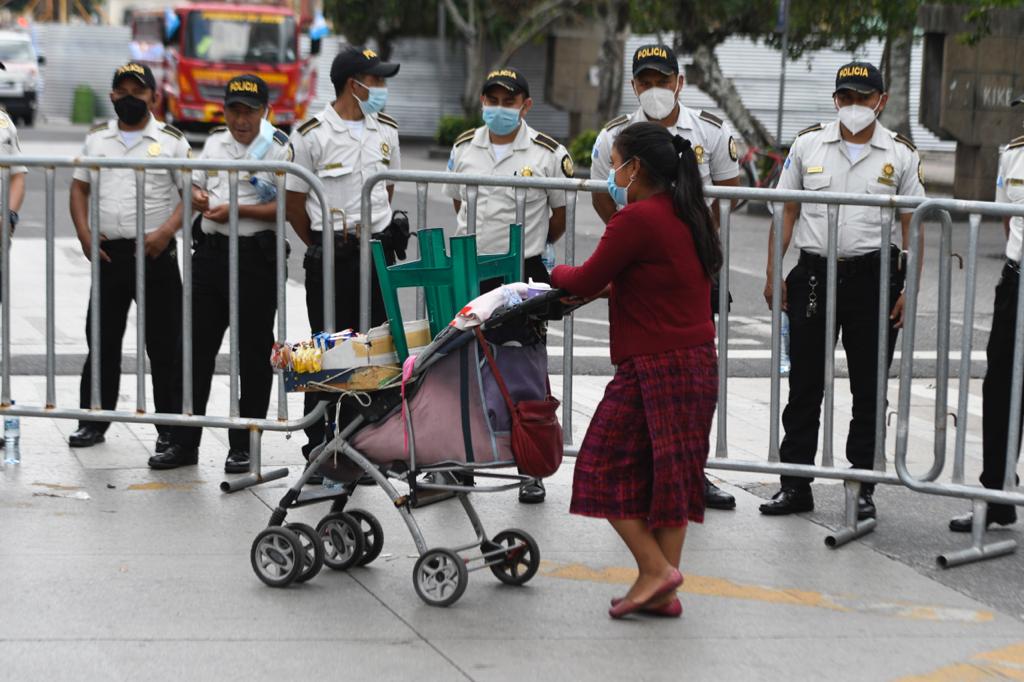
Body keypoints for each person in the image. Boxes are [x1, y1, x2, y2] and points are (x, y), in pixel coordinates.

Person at [551, 122, 720, 618]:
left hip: (655, 366)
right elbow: (656, 279)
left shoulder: (636, 219)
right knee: (673, 478)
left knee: (600, 464)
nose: (611, 173)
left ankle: (655, 570)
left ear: (635, 168)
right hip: (695, 364)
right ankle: (663, 591)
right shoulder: (689, 214)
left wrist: (548, 272)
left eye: (616, 162)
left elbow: (583, 277)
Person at [758, 61, 925, 518]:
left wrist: (909, 288)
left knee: (869, 388)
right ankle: (794, 484)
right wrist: (775, 272)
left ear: (881, 101)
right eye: (846, 98)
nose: (854, 106)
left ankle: (861, 487)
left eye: (863, 98)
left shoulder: (901, 154)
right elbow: (786, 210)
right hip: (814, 274)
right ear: (835, 100)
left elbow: (913, 225)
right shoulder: (809, 144)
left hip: (875, 277)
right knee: (805, 382)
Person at [590, 42, 740, 511]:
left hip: (695, 269)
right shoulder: (612, 136)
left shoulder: (710, 132)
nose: (655, 89)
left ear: (680, 82)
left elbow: (730, 190)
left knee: (692, 376)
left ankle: (692, 472)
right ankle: (644, 468)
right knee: (637, 370)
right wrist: (633, 239)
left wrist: (689, 237)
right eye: (645, 81)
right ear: (634, 86)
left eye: (663, 80)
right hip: (638, 272)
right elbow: (604, 195)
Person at [443, 66, 573, 504]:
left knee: (525, 372)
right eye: (492, 99)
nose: (499, 108)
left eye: (508, 100)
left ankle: (529, 466)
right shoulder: (464, 148)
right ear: (483, 102)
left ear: (525, 105)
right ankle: (460, 463)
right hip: (471, 270)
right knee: (462, 367)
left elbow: (558, 220)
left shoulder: (547, 154)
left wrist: (529, 253)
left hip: (522, 272)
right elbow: (459, 203)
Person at [153, 75, 294, 471]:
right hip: (210, 257)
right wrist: (197, 197)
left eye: (249, 111)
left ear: (264, 112)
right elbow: (194, 187)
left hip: (254, 260)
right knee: (193, 351)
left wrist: (238, 210)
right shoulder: (215, 142)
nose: (240, 119)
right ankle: (183, 443)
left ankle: (244, 445)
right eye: (234, 110)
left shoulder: (279, 148)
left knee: (251, 355)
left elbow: (286, 206)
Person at [286, 45, 400, 467]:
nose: (383, 89)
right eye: (378, 81)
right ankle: (318, 441)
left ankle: (359, 445)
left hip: (375, 251)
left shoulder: (386, 130)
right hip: (331, 255)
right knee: (326, 344)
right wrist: (322, 243)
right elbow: (295, 201)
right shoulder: (311, 133)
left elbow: (386, 191)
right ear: (355, 85)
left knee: (370, 348)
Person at [67, 62, 189, 453]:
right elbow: (78, 189)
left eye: (139, 92)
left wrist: (166, 232)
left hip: (155, 253)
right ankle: (93, 420)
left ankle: (169, 428)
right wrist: (85, 235)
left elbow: (193, 197)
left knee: (164, 345)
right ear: (113, 97)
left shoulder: (171, 141)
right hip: (110, 255)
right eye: (124, 91)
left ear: (153, 96)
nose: (131, 98)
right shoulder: (97, 139)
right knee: (101, 340)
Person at [948, 95, 1024, 532]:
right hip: (1017, 282)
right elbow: (1006, 223)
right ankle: (996, 496)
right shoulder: (1012, 156)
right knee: (1000, 390)